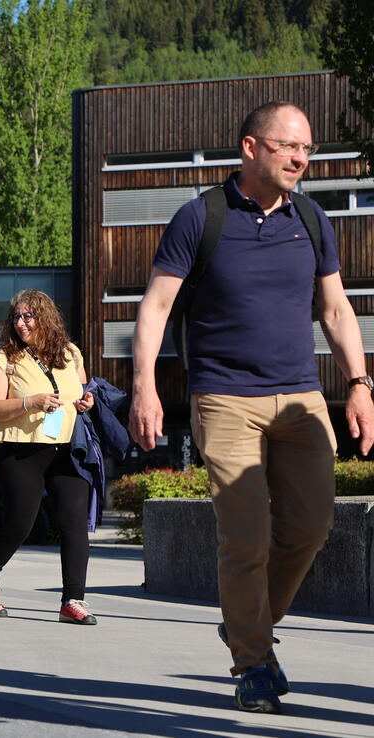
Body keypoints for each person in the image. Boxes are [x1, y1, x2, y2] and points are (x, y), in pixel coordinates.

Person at [129, 101, 374, 714]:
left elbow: (337, 310)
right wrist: (144, 385)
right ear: (250, 147)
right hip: (223, 397)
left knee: (313, 526)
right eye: (289, 147)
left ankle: (247, 624)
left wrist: (362, 383)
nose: (301, 159)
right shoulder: (200, 218)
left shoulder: (315, 220)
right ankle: (253, 661)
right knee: (246, 537)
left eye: (308, 150)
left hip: (301, 398)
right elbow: (156, 306)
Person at [0, 290, 97, 626]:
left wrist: (87, 402)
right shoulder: (6, 357)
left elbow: (83, 392)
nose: (21, 323)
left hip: (67, 446)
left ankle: (73, 600)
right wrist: (31, 402)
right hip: (19, 448)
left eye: (28, 316)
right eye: (16, 316)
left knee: (74, 523)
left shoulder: (71, 353)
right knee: (19, 523)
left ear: (45, 317)